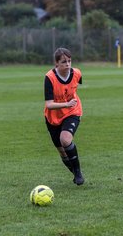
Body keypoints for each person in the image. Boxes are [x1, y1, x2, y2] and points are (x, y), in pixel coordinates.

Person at [43, 47, 85, 185]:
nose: (67, 64)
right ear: (56, 64)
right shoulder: (49, 78)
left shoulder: (77, 73)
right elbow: (49, 104)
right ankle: (74, 172)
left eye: (69, 61)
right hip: (53, 117)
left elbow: (75, 86)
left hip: (72, 111)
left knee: (65, 140)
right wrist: (66, 103)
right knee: (61, 150)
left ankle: (78, 172)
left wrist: (70, 105)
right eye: (63, 62)